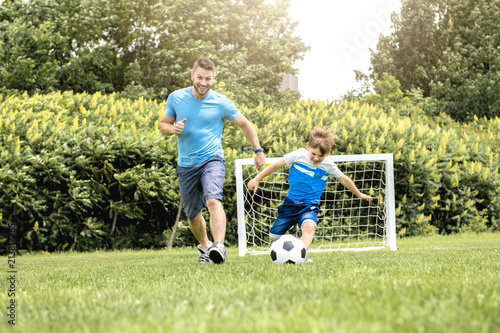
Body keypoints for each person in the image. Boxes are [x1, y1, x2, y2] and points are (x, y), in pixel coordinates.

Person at [159, 57, 265, 264]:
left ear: (213, 79)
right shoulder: (176, 98)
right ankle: (206, 248)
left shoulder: (221, 102)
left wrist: (258, 150)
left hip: (212, 159)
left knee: (213, 200)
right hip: (186, 164)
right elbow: (163, 124)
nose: (203, 83)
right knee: (192, 214)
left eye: (208, 79)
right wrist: (173, 129)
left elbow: (245, 124)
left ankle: (219, 246)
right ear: (192, 76)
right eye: (200, 78)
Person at [247, 127, 372, 260]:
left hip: (310, 205)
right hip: (290, 204)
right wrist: (256, 178)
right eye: (313, 154)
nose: (316, 158)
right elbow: (276, 165)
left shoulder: (329, 165)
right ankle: (290, 229)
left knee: (309, 228)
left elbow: (343, 179)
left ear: (328, 153)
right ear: (308, 147)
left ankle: (300, 257)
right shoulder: (299, 155)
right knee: (274, 236)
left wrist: (359, 194)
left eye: (321, 156)